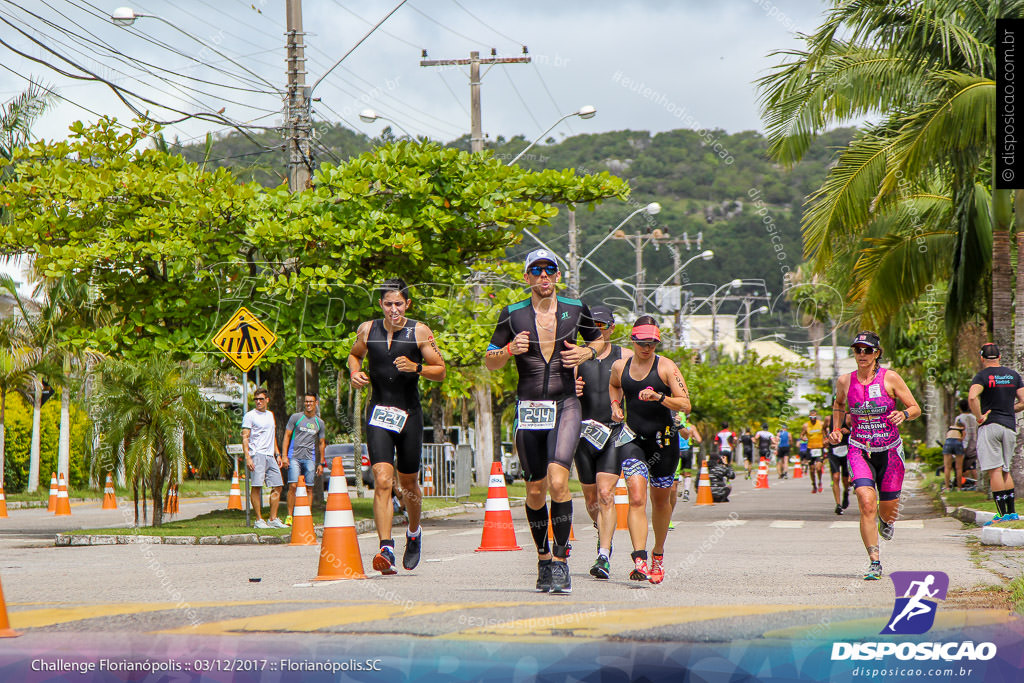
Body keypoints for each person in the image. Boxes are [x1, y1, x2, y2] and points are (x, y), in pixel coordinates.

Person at [485, 249, 603, 595]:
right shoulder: (511, 315)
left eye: (549, 270)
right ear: (527, 278)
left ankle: (562, 561)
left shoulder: (575, 308)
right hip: (530, 406)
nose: (543, 276)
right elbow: (489, 360)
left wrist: (587, 352)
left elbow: (599, 340)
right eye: (536, 271)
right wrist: (508, 351)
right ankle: (542, 557)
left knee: (558, 481)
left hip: (566, 403)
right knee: (535, 488)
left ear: (557, 275)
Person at [348, 278, 446, 574]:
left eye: (399, 304)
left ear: (408, 304)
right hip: (379, 413)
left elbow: (440, 371)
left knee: (408, 485)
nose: (394, 309)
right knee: (381, 479)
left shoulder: (420, 332)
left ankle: (413, 533)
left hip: (409, 416)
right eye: (388, 304)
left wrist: (416, 368)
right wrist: (355, 373)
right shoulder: (367, 330)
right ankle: (386, 547)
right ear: (381, 305)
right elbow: (354, 355)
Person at [829, 331, 920, 581]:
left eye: (867, 350)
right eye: (857, 350)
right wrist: (836, 429)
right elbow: (838, 404)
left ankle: (887, 522)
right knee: (866, 501)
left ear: (877, 353)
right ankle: (874, 561)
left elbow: (915, 407)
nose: (862, 354)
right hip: (859, 448)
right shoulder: (845, 381)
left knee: (887, 511)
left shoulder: (890, 378)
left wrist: (904, 414)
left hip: (890, 451)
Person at [609, 317, 691, 585]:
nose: (646, 348)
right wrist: (615, 405)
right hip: (633, 440)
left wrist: (659, 397)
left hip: (664, 441)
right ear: (632, 341)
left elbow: (685, 404)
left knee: (660, 501)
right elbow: (614, 385)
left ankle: (658, 554)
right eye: (642, 343)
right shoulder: (621, 366)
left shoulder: (666, 366)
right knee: (635, 497)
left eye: (652, 343)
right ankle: (639, 559)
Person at [572, 304, 631, 580]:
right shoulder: (573, 357)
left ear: (612, 329)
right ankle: (602, 533)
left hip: (612, 433)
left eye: (602, 326)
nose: (597, 331)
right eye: (591, 326)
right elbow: (555, 392)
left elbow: (648, 378)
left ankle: (604, 555)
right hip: (581, 434)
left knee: (607, 493)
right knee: (591, 497)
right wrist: (570, 390)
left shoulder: (625, 357)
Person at [968, 343, 1024, 524]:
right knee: (1005, 470)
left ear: (982, 358)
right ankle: (1011, 513)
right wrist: (1010, 409)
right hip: (1009, 426)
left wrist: (979, 416)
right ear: (999, 357)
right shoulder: (1013, 375)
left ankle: (1000, 514)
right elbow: (1023, 401)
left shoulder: (982, 376)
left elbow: (972, 397)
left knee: (995, 471)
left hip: (990, 425)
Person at [241, 387, 286, 529]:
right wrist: (248, 457)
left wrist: (277, 454)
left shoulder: (270, 415)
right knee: (257, 486)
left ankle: (273, 518)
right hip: (257, 454)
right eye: (256, 399)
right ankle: (259, 520)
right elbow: (245, 437)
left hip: (270, 455)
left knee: (278, 485)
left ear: (267, 400)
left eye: (261, 399)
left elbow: (272, 437)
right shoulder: (250, 415)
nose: (258, 402)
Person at [281, 393, 326, 526]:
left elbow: (321, 443)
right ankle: (289, 516)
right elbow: (287, 436)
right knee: (293, 486)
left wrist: (321, 463)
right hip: (294, 456)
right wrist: (284, 456)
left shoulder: (320, 423)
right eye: (306, 401)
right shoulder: (296, 417)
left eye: (311, 401)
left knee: (309, 488)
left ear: (316, 403)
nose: (308, 404)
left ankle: (307, 516)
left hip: (310, 459)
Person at [824, 412, 851, 516]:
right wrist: (826, 438)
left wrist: (848, 431)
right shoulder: (828, 418)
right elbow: (824, 429)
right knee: (835, 477)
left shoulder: (848, 418)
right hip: (833, 451)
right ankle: (838, 505)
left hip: (845, 450)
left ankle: (846, 493)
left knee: (845, 480)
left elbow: (857, 430)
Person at [673, 417, 702, 503]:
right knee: (688, 473)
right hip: (687, 451)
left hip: (677, 451)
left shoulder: (674, 424)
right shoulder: (691, 427)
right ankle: (686, 492)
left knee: (679, 472)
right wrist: (692, 439)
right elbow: (699, 439)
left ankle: (680, 486)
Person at [955, 399, 979, 491]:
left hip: (963, 445)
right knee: (973, 465)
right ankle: (976, 483)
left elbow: (960, 432)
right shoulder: (974, 417)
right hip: (974, 444)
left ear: (960, 408)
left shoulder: (959, 418)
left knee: (963, 467)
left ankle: (963, 484)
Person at [801, 409, 826, 493]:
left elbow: (825, 433)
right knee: (811, 469)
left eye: (814, 416)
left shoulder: (821, 424)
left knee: (818, 468)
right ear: (809, 417)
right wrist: (803, 438)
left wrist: (826, 440)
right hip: (810, 448)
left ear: (816, 416)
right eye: (811, 417)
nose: (813, 418)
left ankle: (820, 482)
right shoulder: (806, 425)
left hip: (819, 447)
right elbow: (802, 434)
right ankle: (814, 484)